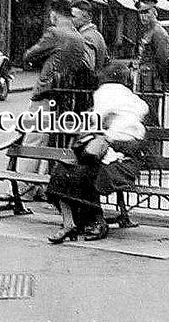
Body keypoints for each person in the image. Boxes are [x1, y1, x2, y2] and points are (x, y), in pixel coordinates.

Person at [45, 64, 150, 243]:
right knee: (62, 171)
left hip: (123, 161)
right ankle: (69, 224)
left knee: (84, 174)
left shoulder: (108, 95)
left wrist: (109, 134)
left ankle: (97, 222)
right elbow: (97, 123)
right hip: (104, 155)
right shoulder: (132, 99)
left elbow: (100, 123)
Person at [19, 0, 92, 185]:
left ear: (54, 13)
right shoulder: (78, 37)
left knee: (33, 139)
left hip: (45, 93)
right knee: (48, 142)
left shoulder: (54, 33)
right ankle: (38, 185)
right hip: (64, 98)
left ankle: (22, 186)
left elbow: (30, 55)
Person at [136, 0, 169, 93]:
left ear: (154, 12)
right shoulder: (149, 31)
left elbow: (163, 59)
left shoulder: (158, 32)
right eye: (140, 13)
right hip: (145, 80)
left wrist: (164, 82)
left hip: (153, 81)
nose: (143, 17)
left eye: (146, 12)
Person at [70, 0, 109, 74]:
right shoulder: (97, 35)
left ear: (87, 17)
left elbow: (85, 68)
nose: (71, 20)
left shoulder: (86, 37)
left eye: (74, 17)